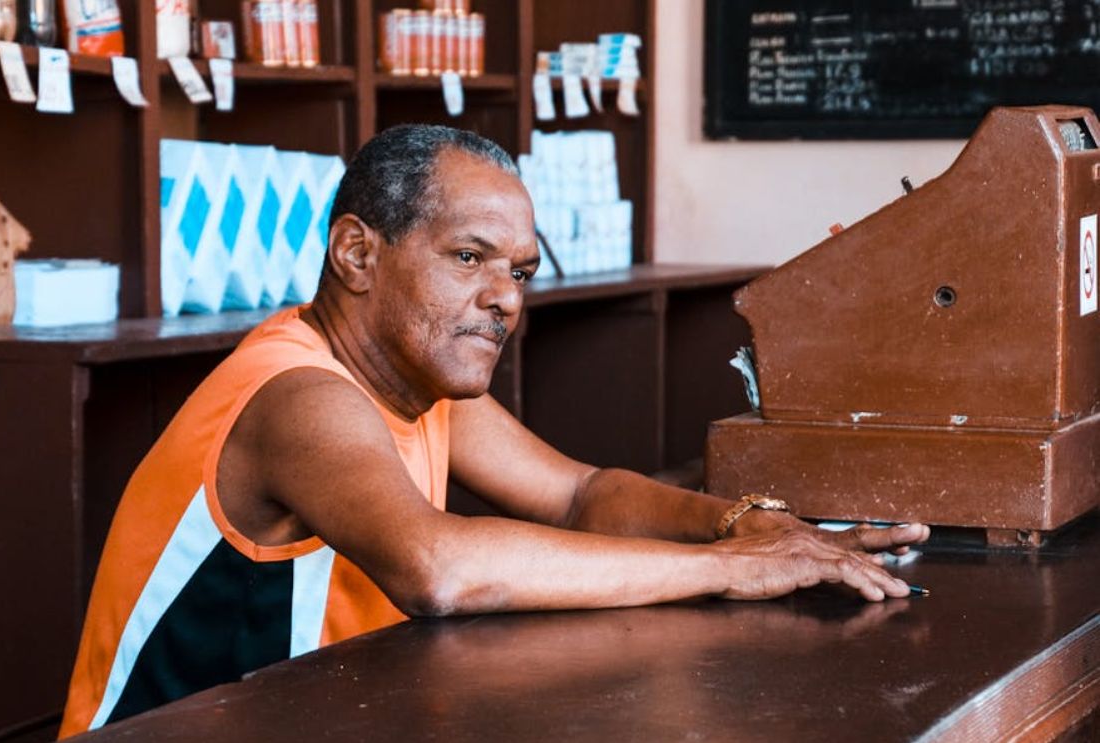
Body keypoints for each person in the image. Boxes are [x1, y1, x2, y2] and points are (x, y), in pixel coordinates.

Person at [58, 125, 929, 737]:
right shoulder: (298, 394)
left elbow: (580, 493)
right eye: (468, 258)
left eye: (519, 270)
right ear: (357, 254)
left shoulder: (417, 382)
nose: (505, 296)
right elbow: (437, 567)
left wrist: (749, 526)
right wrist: (726, 571)